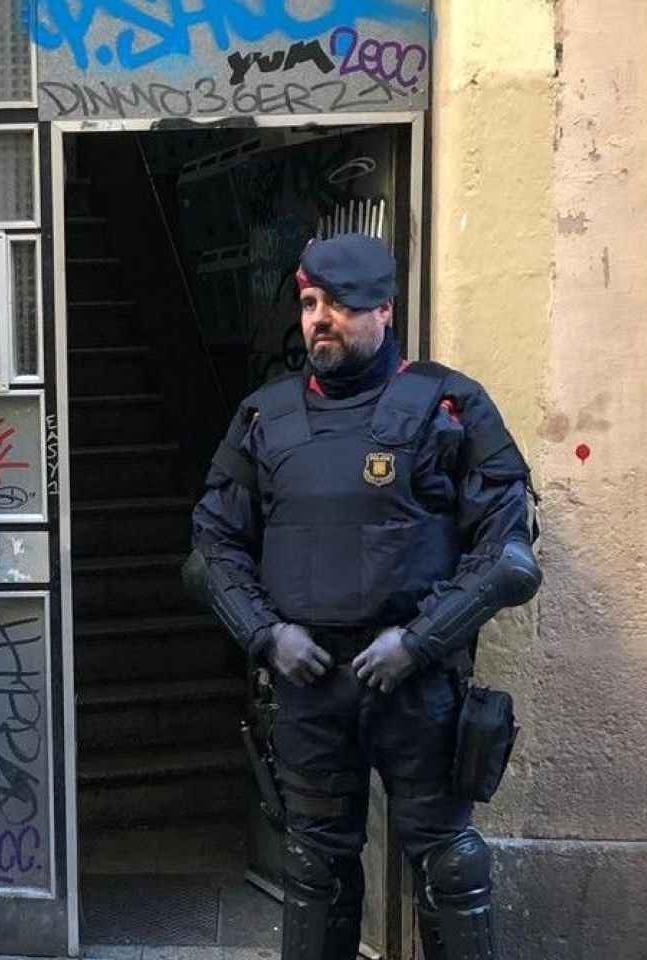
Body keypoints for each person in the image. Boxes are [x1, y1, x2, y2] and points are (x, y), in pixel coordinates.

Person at [191, 235, 540, 960]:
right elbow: (209, 552)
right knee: (316, 871)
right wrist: (266, 635)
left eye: (341, 305)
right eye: (312, 303)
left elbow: (508, 558)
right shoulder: (265, 417)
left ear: (384, 308)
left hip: (420, 687)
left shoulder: (449, 405)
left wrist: (420, 641)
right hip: (309, 686)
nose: (320, 320)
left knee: (449, 865)